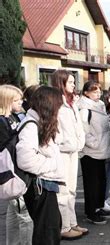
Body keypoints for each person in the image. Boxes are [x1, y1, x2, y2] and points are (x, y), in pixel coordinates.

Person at [16, 86, 65, 245]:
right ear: (49, 105)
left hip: (45, 184)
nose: (59, 110)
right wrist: (53, 164)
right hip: (39, 185)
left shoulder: (39, 122)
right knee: (47, 233)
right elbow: (25, 159)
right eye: (58, 106)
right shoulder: (31, 125)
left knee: (52, 228)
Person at [51, 70, 87, 239]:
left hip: (73, 151)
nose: (74, 85)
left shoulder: (72, 103)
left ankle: (72, 222)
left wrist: (79, 143)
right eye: (71, 82)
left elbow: (77, 126)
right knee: (63, 191)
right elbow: (56, 129)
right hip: (63, 153)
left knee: (72, 190)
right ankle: (64, 227)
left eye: (74, 82)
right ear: (61, 83)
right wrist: (64, 143)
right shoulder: (56, 104)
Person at [76, 81, 110, 225]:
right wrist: (94, 143)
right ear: (86, 93)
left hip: (102, 150)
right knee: (91, 183)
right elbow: (83, 131)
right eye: (94, 91)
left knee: (101, 181)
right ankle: (91, 212)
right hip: (90, 152)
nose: (98, 94)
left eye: (99, 91)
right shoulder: (84, 108)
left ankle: (99, 207)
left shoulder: (100, 106)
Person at [0, 85, 34, 245]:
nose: (21, 102)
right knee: (25, 215)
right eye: (16, 100)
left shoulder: (14, 117)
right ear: (6, 102)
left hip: (15, 172)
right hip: (12, 173)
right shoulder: (2, 122)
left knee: (14, 213)